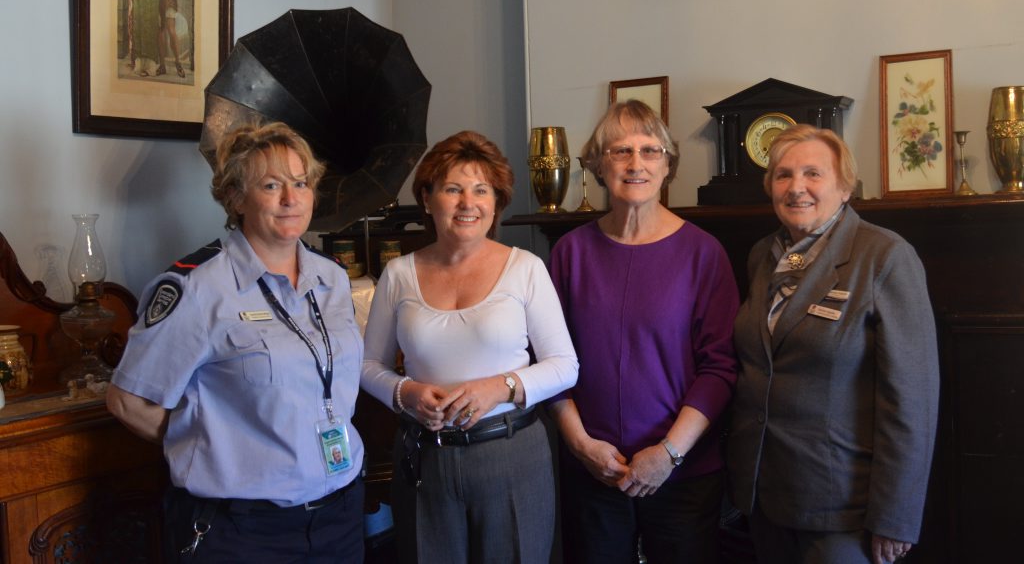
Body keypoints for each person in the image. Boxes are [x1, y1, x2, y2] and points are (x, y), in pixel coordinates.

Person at [107, 121, 365, 563]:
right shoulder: (196, 288)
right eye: (271, 185)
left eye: (300, 183)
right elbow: (129, 401)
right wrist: (209, 443)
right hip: (242, 531)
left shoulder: (332, 279)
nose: (291, 198)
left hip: (338, 517)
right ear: (236, 198)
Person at [361, 130, 579, 564]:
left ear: (496, 201)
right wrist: (407, 393)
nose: (468, 203)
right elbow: (367, 365)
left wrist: (501, 387)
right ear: (427, 199)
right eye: (453, 189)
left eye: (482, 190)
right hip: (425, 458)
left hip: (512, 453)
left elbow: (564, 365)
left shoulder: (526, 269)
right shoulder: (399, 274)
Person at [726, 125, 940, 564]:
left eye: (813, 174)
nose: (796, 187)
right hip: (765, 496)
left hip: (843, 507)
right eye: (783, 176)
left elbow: (912, 399)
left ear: (844, 187)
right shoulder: (764, 255)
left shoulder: (884, 255)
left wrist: (895, 515)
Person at [548, 100, 740, 564]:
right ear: (598, 164)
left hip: (684, 472)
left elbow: (721, 367)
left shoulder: (703, 254)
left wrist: (668, 454)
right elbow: (547, 362)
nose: (636, 164)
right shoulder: (570, 253)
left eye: (651, 151)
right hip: (594, 470)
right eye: (620, 151)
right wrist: (580, 446)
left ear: (668, 164)